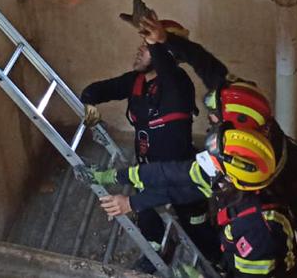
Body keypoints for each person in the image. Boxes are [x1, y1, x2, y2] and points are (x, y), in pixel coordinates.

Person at [135, 14, 297, 234]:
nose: (211, 118)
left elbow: (188, 179)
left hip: (285, 206)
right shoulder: (246, 109)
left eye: (216, 116)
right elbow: (204, 62)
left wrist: (133, 199)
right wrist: (165, 38)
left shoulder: (245, 163)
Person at [89, 123, 297, 277]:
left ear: (230, 178)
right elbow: (173, 177)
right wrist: (124, 187)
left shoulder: (257, 230)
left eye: (213, 164)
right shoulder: (236, 187)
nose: (204, 167)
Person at [79, 18, 218, 270]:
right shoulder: (136, 81)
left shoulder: (178, 84)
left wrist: (158, 42)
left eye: (145, 47)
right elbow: (100, 89)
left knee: (196, 228)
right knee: (146, 212)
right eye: (142, 45)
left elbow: (167, 69)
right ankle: (158, 248)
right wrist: (88, 101)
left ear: (163, 53)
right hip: (147, 166)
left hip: (180, 172)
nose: (139, 50)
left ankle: (217, 263)